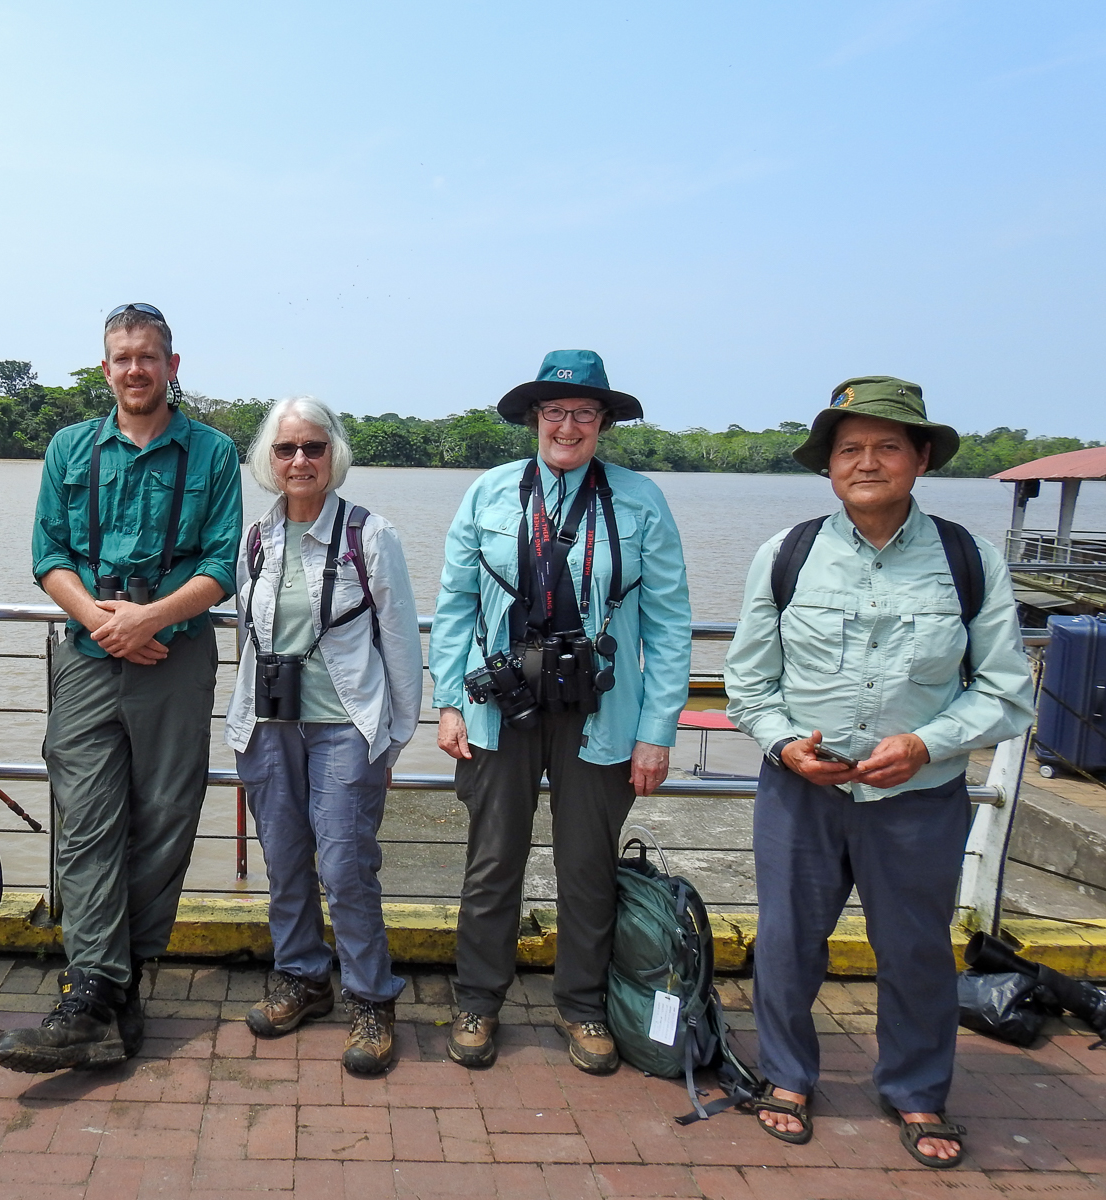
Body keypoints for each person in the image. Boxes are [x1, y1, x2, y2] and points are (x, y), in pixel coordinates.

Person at [725, 378, 1033, 1169]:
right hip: (801, 789)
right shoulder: (787, 554)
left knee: (917, 949)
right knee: (789, 943)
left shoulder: (969, 559)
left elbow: (1006, 690)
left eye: (887, 446)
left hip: (920, 798)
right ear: (828, 466)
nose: (868, 462)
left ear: (921, 458)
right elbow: (750, 683)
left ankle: (918, 1089)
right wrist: (787, 744)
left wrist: (928, 744)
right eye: (850, 448)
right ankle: (787, 1076)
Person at [0, 303, 242, 1073]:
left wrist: (151, 621)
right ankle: (101, 987)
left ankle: (113, 984)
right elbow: (48, 554)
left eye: (148, 356)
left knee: (167, 817)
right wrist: (106, 625)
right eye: (121, 357)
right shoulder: (71, 448)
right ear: (104, 368)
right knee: (87, 820)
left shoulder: (213, 453)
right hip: (88, 652)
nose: (135, 369)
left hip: (176, 655)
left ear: (173, 365)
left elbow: (222, 561)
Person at [430, 350, 691, 1073]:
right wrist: (447, 703)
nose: (566, 425)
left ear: (604, 422)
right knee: (491, 865)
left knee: (587, 869)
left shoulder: (640, 500)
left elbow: (670, 623)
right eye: (554, 412)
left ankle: (583, 1008)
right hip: (500, 707)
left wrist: (657, 731)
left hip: (600, 710)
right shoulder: (487, 494)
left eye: (583, 412)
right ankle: (478, 1001)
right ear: (534, 420)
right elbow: (453, 606)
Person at [225, 397, 424, 1075]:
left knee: (344, 866)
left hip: (345, 727)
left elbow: (400, 649)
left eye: (312, 447)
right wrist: (238, 726)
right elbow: (250, 640)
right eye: (286, 450)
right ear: (268, 461)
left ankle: (372, 998)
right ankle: (303, 977)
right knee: (284, 860)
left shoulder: (371, 536)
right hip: (269, 724)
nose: (300, 461)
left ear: (333, 453)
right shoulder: (255, 537)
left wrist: (392, 740)